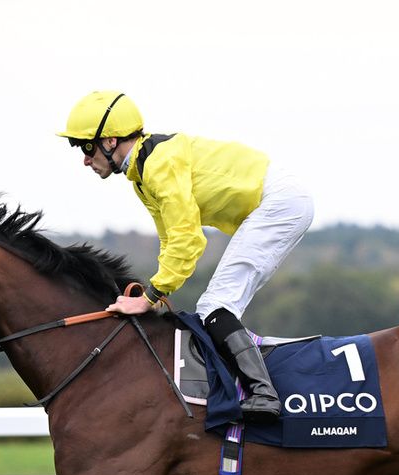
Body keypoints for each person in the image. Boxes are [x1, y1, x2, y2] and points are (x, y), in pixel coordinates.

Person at [57, 90, 314, 424]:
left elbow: (189, 240)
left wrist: (151, 295)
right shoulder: (143, 172)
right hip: (274, 202)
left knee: (215, 306)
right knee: (217, 305)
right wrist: (159, 293)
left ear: (109, 141)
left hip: (278, 202)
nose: (85, 159)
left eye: (86, 147)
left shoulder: (158, 164)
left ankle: (264, 395)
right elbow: (171, 239)